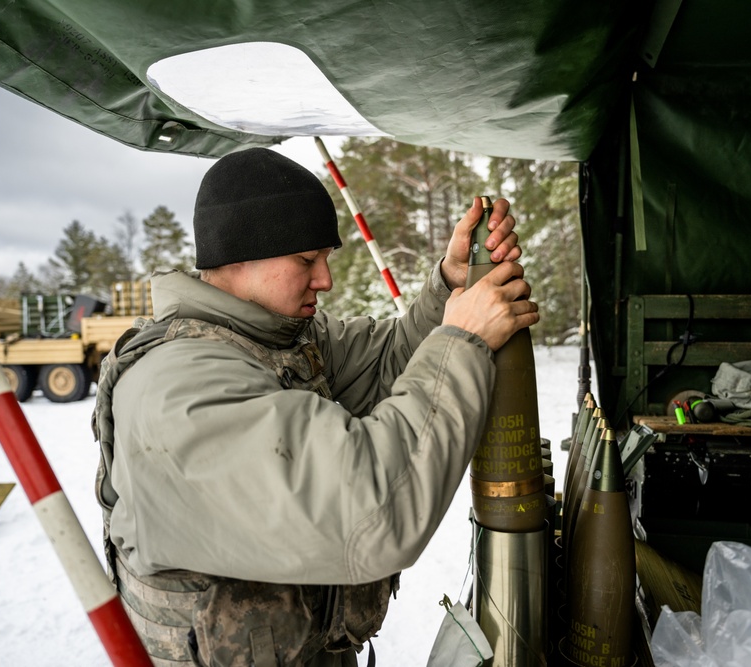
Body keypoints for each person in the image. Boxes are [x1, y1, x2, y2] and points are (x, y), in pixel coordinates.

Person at [92, 147, 539, 667]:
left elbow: (387, 364)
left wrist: (449, 286)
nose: (324, 280)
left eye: (326, 259)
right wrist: (462, 339)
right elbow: (370, 510)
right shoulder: (179, 392)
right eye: (307, 260)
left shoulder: (280, 337)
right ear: (237, 255)